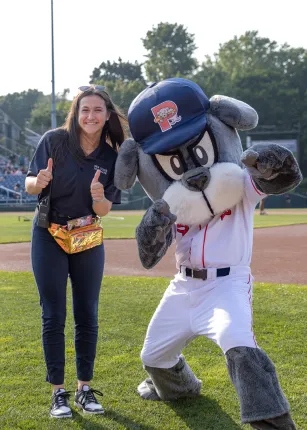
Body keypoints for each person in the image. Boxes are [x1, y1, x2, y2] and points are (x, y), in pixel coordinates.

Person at [25, 85, 128, 418]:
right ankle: (58, 393)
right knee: (53, 314)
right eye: (85, 109)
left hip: (87, 236)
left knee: (88, 314)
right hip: (49, 234)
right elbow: (29, 184)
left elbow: (106, 208)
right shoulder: (54, 141)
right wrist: (37, 182)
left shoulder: (112, 158)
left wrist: (98, 195)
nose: (91, 116)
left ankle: (85, 389)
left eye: (98, 110)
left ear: (107, 115)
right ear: (76, 112)